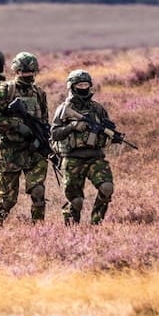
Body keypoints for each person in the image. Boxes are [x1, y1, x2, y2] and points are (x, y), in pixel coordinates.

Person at [0, 52, 48, 226]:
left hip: (33, 152)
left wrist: (41, 141)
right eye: (23, 71)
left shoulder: (39, 93)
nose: (27, 75)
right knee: (8, 199)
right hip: (10, 152)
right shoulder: (5, 91)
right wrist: (15, 124)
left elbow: (43, 122)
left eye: (30, 71)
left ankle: (39, 231)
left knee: (38, 191)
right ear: (16, 71)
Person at [50, 70, 117, 225]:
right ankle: (72, 228)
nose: (83, 87)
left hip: (95, 157)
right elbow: (54, 134)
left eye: (86, 84)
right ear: (72, 87)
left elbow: (107, 129)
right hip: (72, 158)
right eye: (80, 84)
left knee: (107, 188)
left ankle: (96, 222)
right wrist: (72, 126)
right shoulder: (63, 109)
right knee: (76, 201)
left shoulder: (97, 108)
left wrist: (110, 136)